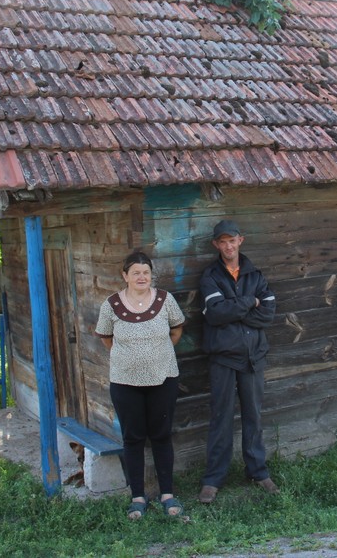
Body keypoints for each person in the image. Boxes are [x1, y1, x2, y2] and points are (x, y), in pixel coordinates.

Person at [95, 251, 186, 520]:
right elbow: (106, 338)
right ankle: (137, 497)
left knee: (161, 435)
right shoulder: (110, 305)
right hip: (125, 382)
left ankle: (167, 494)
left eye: (146, 272)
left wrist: (160, 353)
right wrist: (129, 359)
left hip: (163, 378)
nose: (141, 277)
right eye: (136, 272)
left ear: (151, 275)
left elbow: (177, 328)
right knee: (133, 438)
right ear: (125, 276)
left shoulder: (165, 299)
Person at [198, 220, 278, 504]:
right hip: (223, 358)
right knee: (221, 417)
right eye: (223, 242)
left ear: (241, 241)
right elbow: (216, 314)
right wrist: (249, 302)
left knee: (253, 416)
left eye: (232, 240)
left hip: (253, 357)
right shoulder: (210, 276)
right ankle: (213, 479)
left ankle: (257, 472)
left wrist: (237, 308)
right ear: (215, 245)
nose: (228, 246)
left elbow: (268, 314)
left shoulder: (255, 274)